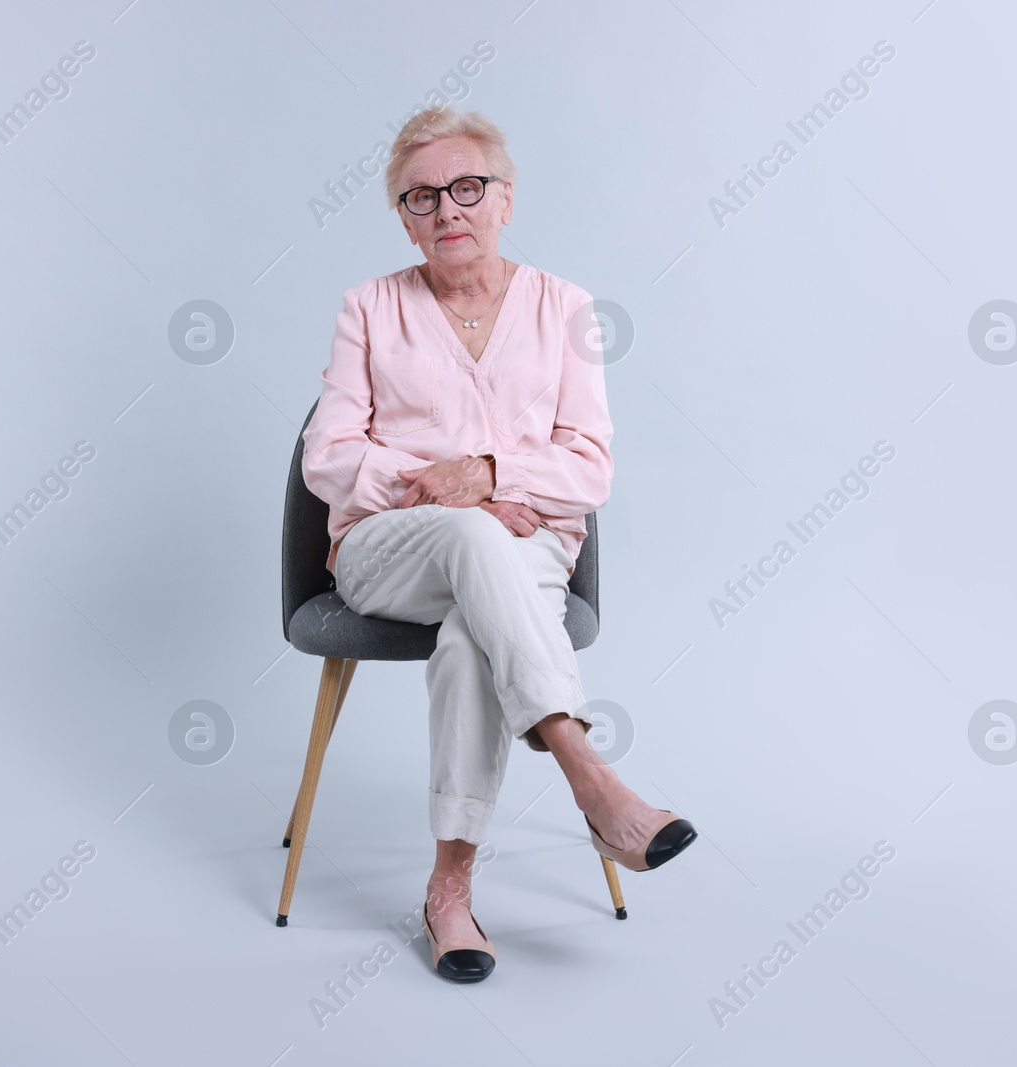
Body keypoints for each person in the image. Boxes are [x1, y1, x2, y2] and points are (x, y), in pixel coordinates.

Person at [301, 107, 695, 983]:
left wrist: (485, 473)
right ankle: (589, 773)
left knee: (471, 632)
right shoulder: (369, 308)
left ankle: (450, 890)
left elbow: (588, 470)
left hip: (525, 555)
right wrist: (447, 488)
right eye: (422, 197)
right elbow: (329, 458)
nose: (448, 210)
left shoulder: (566, 308)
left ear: (505, 199)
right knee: (475, 538)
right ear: (402, 217)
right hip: (385, 549)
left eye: (467, 188)